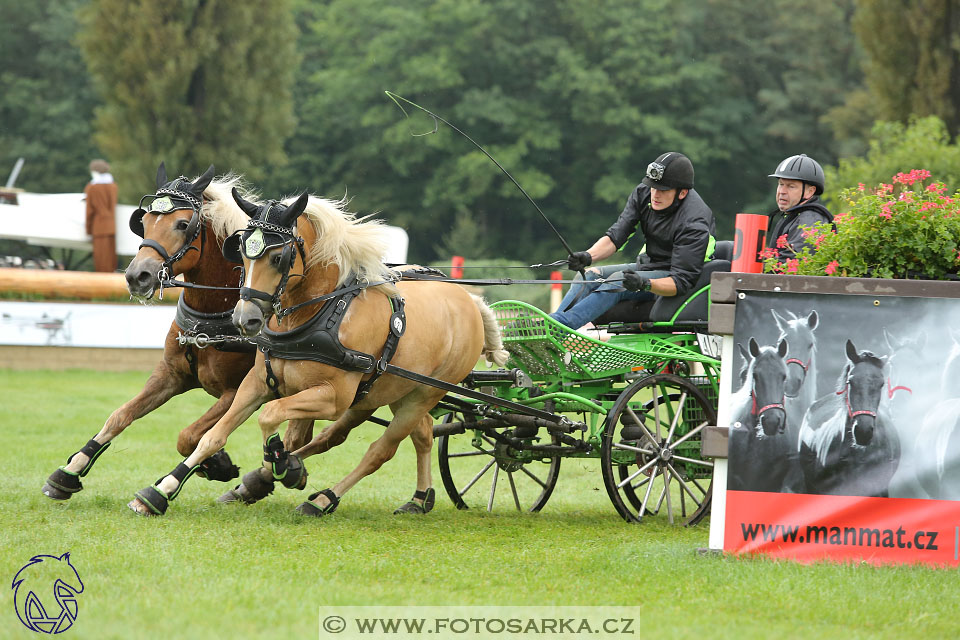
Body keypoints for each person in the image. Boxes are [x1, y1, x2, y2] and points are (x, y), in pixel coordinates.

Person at [549, 152, 716, 330]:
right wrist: (589, 256)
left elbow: (681, 282)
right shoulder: (644, 192)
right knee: (591, 275)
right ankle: (551, 326)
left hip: (676, 277)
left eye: (663, 190)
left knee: (618, 280)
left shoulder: (694, 222)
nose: (655, 194)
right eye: (653, 187)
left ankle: (558, 327)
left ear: (682, 193)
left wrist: (645, 284)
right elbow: (618, 234)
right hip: (651, 266)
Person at [766, 154, 833, 262]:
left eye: (791, 186)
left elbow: (791, 261)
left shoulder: (810, 220)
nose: (782, 191)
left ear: (809, 191)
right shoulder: (794, 216)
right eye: (781, 184)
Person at [84, 158, 118, 272]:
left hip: (98, 227)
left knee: (101, 261)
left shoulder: (92, 187)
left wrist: (88, 230)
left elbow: (89, 211)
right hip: (112, 226)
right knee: (110, 258)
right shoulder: (113, 186)